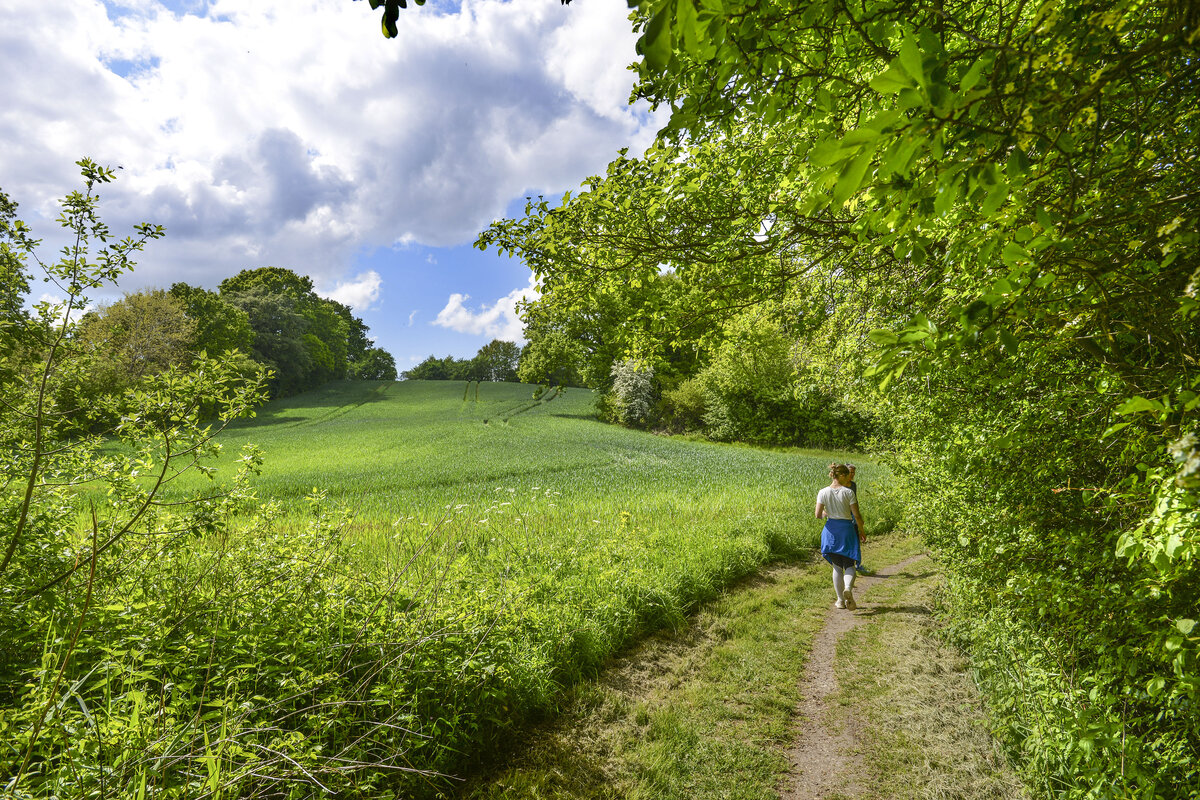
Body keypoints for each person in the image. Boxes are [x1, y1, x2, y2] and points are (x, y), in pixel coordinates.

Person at [815, 463, 866, 609]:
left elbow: (818, 515)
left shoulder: (822, 492)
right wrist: (862, 530)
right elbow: (856, 515)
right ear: (841, 475)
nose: (849, 478)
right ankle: (848, 588)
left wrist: (828, 513)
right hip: (846, 530)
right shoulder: (848, 493)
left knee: (837, 567)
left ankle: (840, 601)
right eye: (848, 475)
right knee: (850, 564)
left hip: (831, 531)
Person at [846, 464, 871, 574]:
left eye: (854, 473)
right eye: (850, 472)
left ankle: (858, 564)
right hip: (844, 516)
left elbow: (855, 502)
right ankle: (848, 565)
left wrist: (858, 517)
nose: (852, 475)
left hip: (853, 515)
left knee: (856, 538)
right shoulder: (840, 486)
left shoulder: (853, 485)